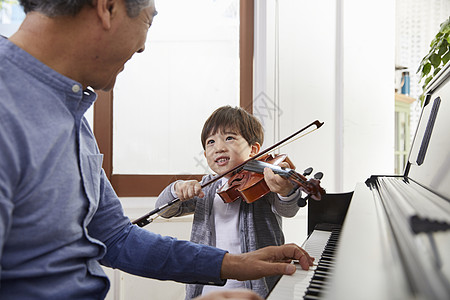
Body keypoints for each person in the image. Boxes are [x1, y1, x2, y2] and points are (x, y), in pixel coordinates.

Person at [0, 0, 315, 299]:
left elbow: (117, 238)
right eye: (148, 19)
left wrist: (235, 264)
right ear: (107, 7)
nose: (142, 46)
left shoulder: (74, 116)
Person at [155, 105, 305, 299]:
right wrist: (177, 188)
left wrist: (286, 191)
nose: (219, 147)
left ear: (253, 149)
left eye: (229, 138)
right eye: (211, 142)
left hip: (257, 286)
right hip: (209, 285)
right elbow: (164, 210)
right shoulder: (206, 187)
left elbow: (288, 209)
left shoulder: (265, 181)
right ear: (205, 155)